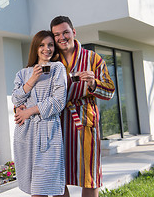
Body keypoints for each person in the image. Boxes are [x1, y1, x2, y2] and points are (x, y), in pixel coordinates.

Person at [50, 16, 115, 197]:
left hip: (85, 122)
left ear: (73, 32)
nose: (62, 38)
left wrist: (94, 83)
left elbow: (110, 91)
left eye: (65, 32)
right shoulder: (51, 60)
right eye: (57, 35)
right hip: (57, 124)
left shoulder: (93, 59)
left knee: (90, 175)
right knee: (57, 177)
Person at [12, 30, 67, 197]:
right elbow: (15, 99)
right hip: (26, 134)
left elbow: (58, 101)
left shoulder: (57, 68)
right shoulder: (23, 73)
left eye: (50, 45)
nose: (46, 49)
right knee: (34, 188)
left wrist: (29, 111)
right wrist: (32, 79)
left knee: (46, 187)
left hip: (48, 133)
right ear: (35, 48)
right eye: (42, 45)